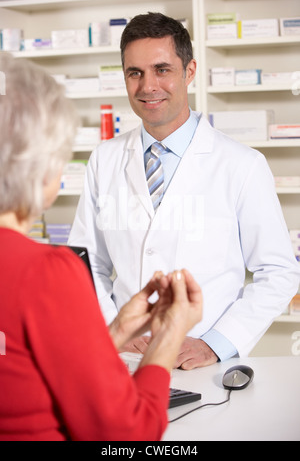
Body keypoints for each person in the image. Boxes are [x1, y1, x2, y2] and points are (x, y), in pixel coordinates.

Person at [68, 12, 300, 369]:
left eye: (162, 69)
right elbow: (86, 264)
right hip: (124, 358)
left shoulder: (242, 164)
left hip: (202, 363)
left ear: (189, 71)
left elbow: (279, 272)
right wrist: (116, 330)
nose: (148, 86)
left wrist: (216, 344)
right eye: (135, 73)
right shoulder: (105, 159)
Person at [0, 52, 203, 441]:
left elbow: (24, 369)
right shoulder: (45, 272)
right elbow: (126, 434)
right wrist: (168, 336)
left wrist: (114, 331)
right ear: (43, 169)